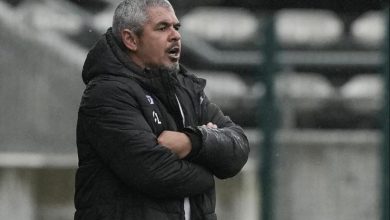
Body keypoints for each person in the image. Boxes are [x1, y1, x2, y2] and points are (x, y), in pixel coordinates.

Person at [74, 0, 249, 219]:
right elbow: (155, 173)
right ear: (131, 39)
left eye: (176, 27)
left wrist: (193, 142)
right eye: (162, 27)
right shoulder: (106, 93)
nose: (175, 35)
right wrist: (210, 168)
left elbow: (239, 147)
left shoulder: (187, 89)